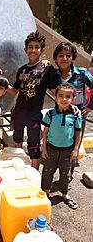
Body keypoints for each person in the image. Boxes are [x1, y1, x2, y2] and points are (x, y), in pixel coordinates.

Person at [8, 31, 58, 170]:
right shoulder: (22, 70)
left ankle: (34, 174)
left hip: (34, 115)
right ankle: (20, 166)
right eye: (30, 47)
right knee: (17, 138)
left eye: (36, 47)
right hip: (18, 112)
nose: (33, 50)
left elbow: (54, 91)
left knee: (34, 143)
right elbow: (14, 91)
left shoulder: (47, 68)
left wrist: (69, 104)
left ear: (42, 50)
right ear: (25, 50)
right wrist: (2, 84)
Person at [53, 42, 93, 182]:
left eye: (68, 55)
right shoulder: (54, 74)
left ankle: (67, 176)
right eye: (61, 55)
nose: (64, 58)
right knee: (57, 146)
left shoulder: (82, 73)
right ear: (56, 58)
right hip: (58, 117)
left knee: (73, 147)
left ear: (73, 57)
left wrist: (90, 106)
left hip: (77, 118)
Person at [41, 83, 82, 209]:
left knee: (65, 173)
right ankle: (45, 193)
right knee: (48, 171)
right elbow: (45, 132)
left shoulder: (75, 115)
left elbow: (78, 132)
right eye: (61, 96)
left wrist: (76, 149)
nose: (64, 99)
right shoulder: (50, 115)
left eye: (68, 97)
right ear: (55, 97)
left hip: (67, 151)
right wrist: (44, 148)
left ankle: (65, 195)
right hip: (51, 149)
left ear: (73, 99)